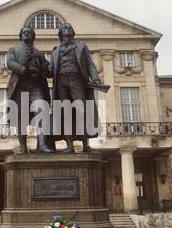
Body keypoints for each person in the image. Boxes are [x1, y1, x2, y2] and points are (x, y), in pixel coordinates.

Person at [50, 23, 109, 153]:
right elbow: (50, 70)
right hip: (61, 82)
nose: (68, 29)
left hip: (77, 80)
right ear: (60, 33)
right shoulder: (55, 51)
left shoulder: (81, 47)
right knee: (66, 114)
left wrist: (96, 79)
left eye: (70, 28)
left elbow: (90, 64)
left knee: (81, 111)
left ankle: (86, 145)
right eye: (65, 28)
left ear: (73, 32)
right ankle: (70, 146)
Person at [7, 26, 54, 154]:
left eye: (29, 32)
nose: (26, 33)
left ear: (33, 36)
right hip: (20, 85)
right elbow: (10, 63)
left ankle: (43, 144)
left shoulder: (38, 53)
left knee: (41, 111)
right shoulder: (14, 49)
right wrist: (23, 70)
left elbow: (48, 71)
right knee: (21, 118)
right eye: (24, 32)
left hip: (35, 86)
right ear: (21, 35)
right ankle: (23, 147)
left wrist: (52, 62)